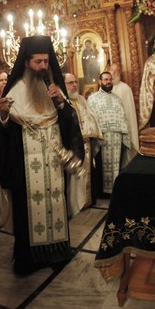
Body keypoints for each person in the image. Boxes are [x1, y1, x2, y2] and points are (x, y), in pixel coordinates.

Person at [0, 35, 83, 276]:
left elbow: (69, 122)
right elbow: (5, 131)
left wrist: (62, 104)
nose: (43, 66)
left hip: (54, 164)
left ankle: (57, 252)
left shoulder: (54, 87)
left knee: (56, 203)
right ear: (26, 63)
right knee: (28, 211)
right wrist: (4, 116)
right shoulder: (15, 90)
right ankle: (29, 259)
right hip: (26, 168)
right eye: (38, 62)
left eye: (46, 61)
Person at [63, 73, 102, 215]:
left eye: (75, 82)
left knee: (86, 173)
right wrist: (79, 137)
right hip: (72, 145)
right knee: (73, 175)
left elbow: (90, 118)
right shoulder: (62, 101)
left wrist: (89, 134)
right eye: (70, 83)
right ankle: (74, 205)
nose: (74, 85)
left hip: (85, 144)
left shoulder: (81, 99)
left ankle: (86, 201)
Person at [87, 72, 131, 195]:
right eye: (106, 79)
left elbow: (123, 117)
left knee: (116, 164)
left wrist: (124, 134)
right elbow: (90, 117)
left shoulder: (117, 99)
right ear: (100, 82)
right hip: (102, 137)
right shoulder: (92, 98)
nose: (108, 82)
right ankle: (102, 193)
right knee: (101, 164)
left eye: (110, 79)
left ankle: (115, 190)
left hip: (117, 137)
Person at [109, 63, 139, 159]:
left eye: (116, 70)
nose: (113, 73)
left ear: (120, 72)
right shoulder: (106, 88)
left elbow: (129, 112)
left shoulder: (125, 88)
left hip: (122, 127)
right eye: (111, 70)